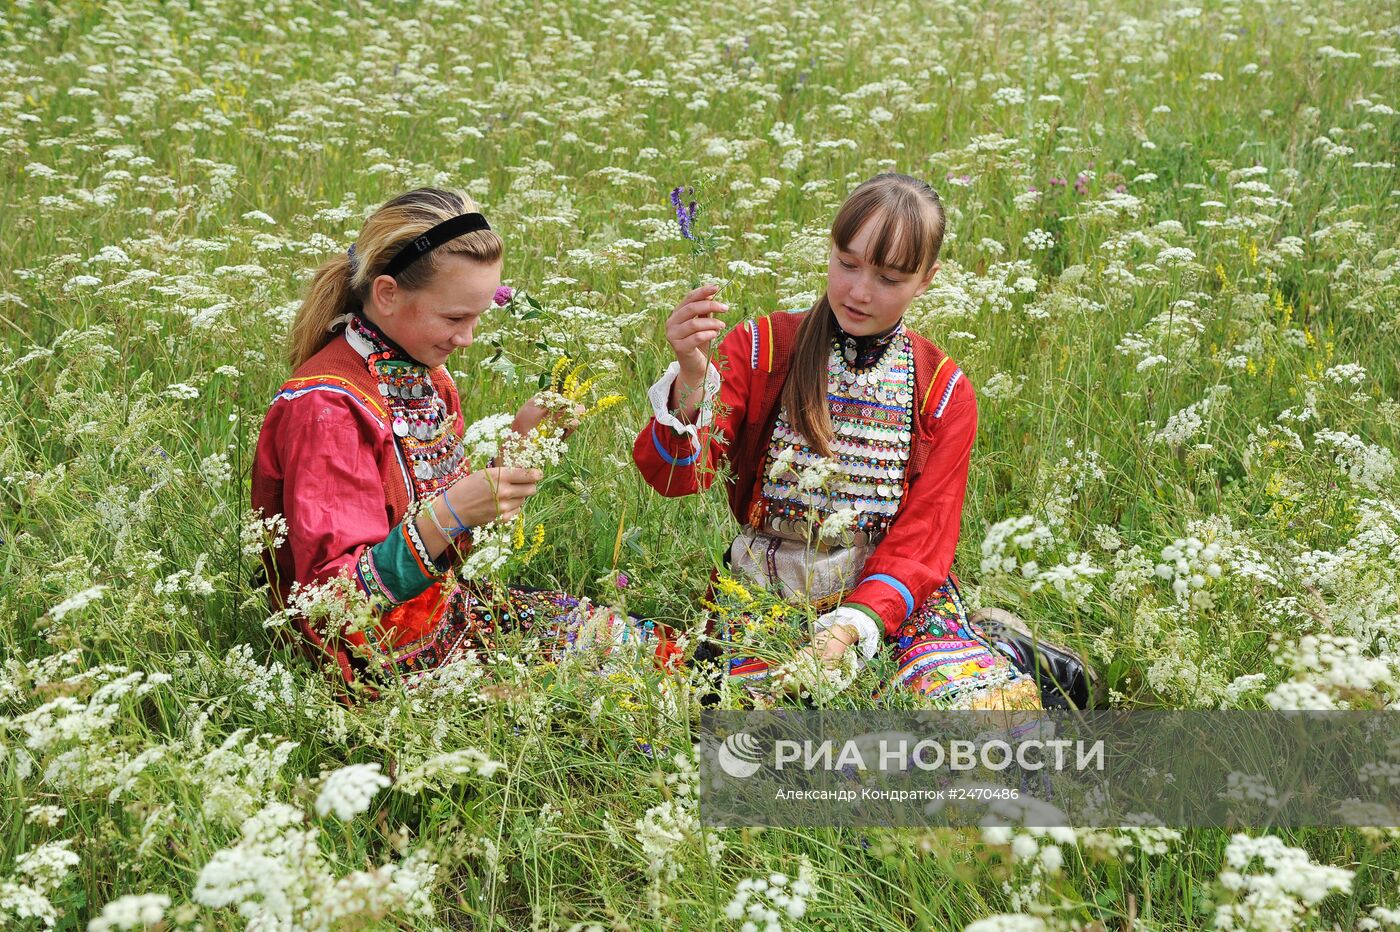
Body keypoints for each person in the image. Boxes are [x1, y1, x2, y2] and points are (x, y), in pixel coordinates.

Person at [632, 173, 1095, 710]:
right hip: (764, 597)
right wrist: (691, 378)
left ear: (926, 280)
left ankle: (998, 653)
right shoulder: (763, 348)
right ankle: (992, 643)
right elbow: (678, 479)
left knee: (979, 723)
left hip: (890, 602)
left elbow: (925, 537)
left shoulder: (942, 391)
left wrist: (855, 624)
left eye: (888, 278)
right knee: (769, 732)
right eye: (846, 264)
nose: (858, 291)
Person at [252, 187, 671, 689]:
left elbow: (448, 554)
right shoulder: (329, 406)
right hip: (379, 662)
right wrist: (452, 511)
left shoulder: (426, 374)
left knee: (660, 652)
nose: (467, 338)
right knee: (622, 695)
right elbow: (333, 603)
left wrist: (515, 451)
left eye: (476, 317)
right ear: (386, 294)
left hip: (457, 614)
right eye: (454, 318)